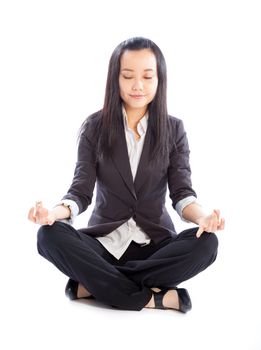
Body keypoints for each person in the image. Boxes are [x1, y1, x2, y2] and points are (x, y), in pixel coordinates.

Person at [28, 37, 225, 313]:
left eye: (147, 76)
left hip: (155, 247)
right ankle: (153, 298)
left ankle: (94, 284)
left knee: (207, 244)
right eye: (128, 75)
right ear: (115, 78)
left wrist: (203, 218)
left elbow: (182, 194)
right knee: (48, 236)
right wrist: (53, 214)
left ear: (160, 79)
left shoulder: (173, 130)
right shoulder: (95, 127)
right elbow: (80, 192)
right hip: (104, 246)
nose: (138, 86)